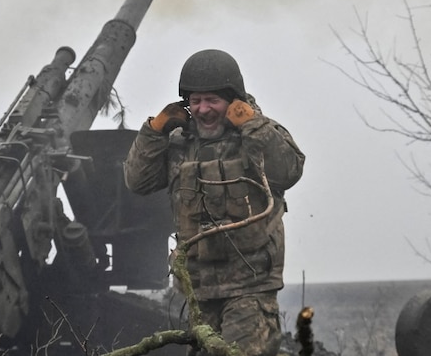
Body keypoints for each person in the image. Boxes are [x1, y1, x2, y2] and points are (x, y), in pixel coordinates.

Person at [124, 49, 305, 356]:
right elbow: (137, 182)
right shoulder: (179, 144)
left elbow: (289, 171)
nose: (204, 109)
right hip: (197, 291)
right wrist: (154, 130)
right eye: (196, 101)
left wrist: (254, 125)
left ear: (234, 100)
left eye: (212, 101)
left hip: (249, 288)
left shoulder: (257, 134)